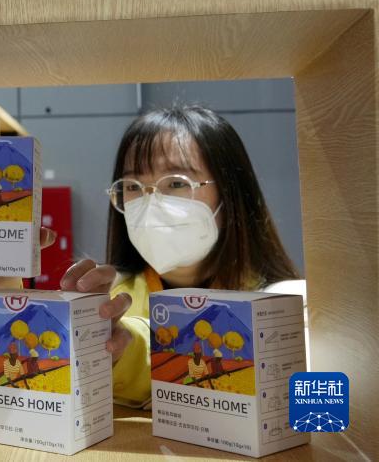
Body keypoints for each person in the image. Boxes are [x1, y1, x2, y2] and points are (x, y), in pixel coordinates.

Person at [63, 105, 301, 408]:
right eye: (133, 186)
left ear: (230, 194)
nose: (150, 203)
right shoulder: (108, 301)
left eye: (176, 183)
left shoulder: (282, 305)